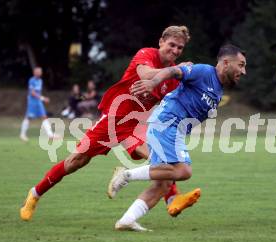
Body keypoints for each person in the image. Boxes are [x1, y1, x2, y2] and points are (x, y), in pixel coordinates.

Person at [20, 25, 200, 223]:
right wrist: (175, 70)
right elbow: (146, 74)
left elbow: (182, 96)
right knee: (75, 162)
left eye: (180, 48)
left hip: (138, 125)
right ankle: (35, 194)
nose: (175, 51)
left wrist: (191, 77)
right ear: (161, 42)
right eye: (172, 45)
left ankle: (172, 199)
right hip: (114, 120)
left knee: (161, 159)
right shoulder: (146, 54)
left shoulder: (173, 79)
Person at [108, 44, 247, 231]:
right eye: (241, 65)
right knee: (183, 171)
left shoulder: (219, 88)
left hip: (173, 129)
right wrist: (153, 83)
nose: (243, 71)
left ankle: (126, 220)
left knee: (162, 185)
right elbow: (174, 70)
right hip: (167, 123)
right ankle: (126, 175)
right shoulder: (204, 72)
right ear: (226, 62)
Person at [20, 67, 58, 142]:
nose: (39, 73)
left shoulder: (40, 81)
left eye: (40, 71)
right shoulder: (32, 80)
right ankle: (22, 134)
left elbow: (38, 92)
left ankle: (50, 134)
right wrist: (43, 98)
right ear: (34, 73)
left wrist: (40, 99)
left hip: (38, 102)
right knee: (28, 117)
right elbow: (32, 93)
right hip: (32, 102)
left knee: (44, 117)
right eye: (37, 71)